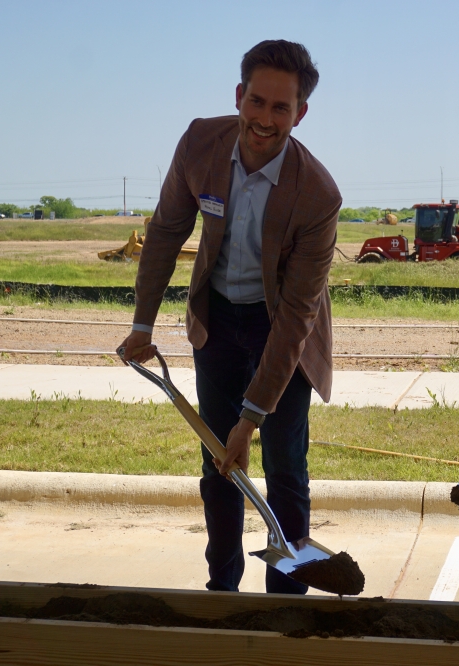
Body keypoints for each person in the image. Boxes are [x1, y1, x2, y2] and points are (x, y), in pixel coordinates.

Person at [119, 40, 341, 595]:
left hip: (282, 328)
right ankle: (223, 592)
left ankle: (284, 605)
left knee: (284, 465)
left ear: (300, 113)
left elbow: (296, 314)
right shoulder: (201, 143)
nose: (265, 120)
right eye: (257, 102)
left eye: (280, 108)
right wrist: (143, 326)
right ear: (240, 95)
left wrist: (253, 416)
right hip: (216, 321)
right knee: (218, 467)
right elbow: (167, 229)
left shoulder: (316, 194)